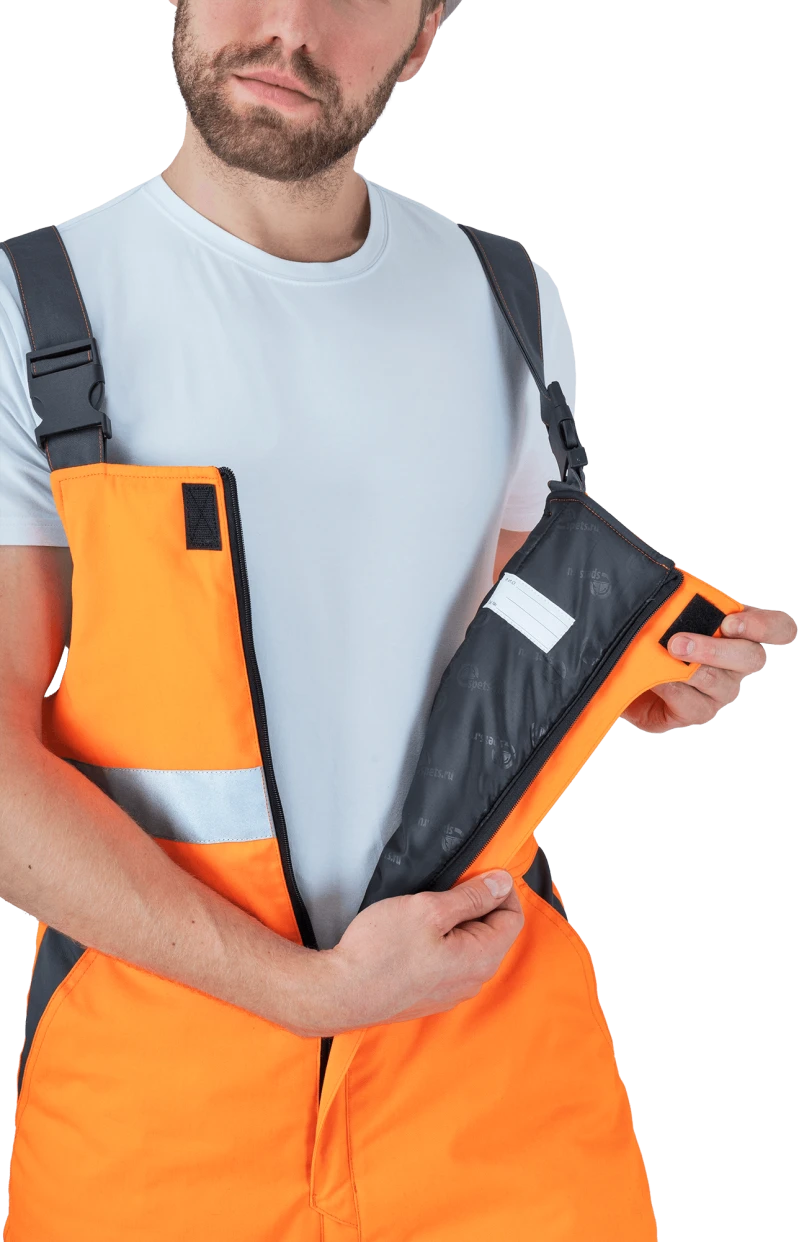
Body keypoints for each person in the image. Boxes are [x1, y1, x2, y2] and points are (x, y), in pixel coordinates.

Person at [1, 3, 794, 1239]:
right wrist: (304, 993)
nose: (289, 26)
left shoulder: (507, 296)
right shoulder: (35, 311)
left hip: (487, 1058)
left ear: (424, 37)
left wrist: (634, 675)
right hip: (159, 1086)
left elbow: (492, 643)